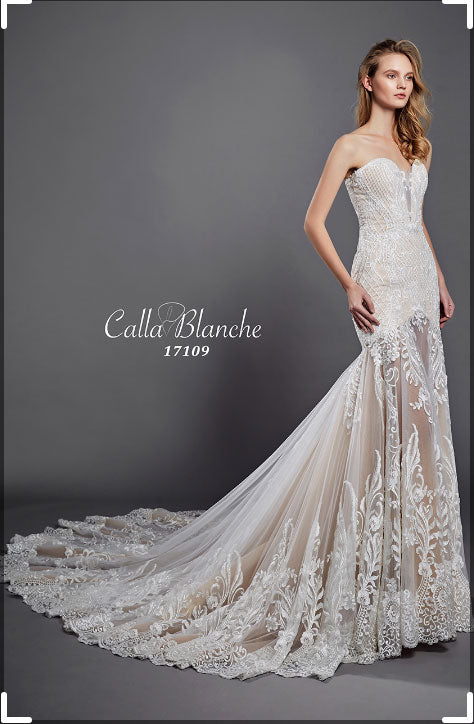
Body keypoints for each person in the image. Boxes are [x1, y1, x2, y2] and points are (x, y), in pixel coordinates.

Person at [3, 38, 473, 682]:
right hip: (380, 285)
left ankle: (411, 591)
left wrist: (440, 278)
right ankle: (355, 577)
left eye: (408, 77)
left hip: (417, 283)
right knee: (383, 410)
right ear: (367, 81)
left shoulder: (418, 147)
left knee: (419, 425)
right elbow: (313, 222)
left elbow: (416, 223)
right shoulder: (350, 146)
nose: (401, 84)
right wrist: (349, 285)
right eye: (390, 75)